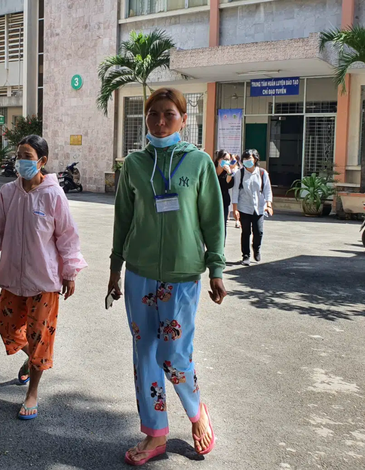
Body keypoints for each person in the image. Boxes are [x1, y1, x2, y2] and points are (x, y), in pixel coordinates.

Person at [108, 88, 227, 465]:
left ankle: (196, 412)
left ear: (183, 119)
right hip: (140, 273)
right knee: (145, 355)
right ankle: (155, 433)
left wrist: (217, 268)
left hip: (183, 274)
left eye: (169, 114)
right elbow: (123, 219)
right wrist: (115, 267)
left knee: (173, 354)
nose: (160, 121)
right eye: (154, 114)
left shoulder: (199, 162)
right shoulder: (134, 164)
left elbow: (212, 217)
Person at [0, 134, 87, 420]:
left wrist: (70, 271)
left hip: (44, 281)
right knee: (8, 328)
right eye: (18, 155)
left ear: (42, 161)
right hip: (12, 277)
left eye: (27, 156)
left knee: (40, 338)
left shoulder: (53, 194)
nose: (21, 161)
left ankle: (32, 392)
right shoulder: (7, 193)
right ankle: (33, 360)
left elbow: (67, 236)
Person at [232, 149, 273, 266]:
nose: (246, 161)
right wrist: (235, 209)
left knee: (258, 232)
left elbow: (267, 190)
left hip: (259, 208)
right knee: (246, 232)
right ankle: (246, 255)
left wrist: (268, 205)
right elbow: (235, 191)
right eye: (244, 159)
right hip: (244, 207)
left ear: (255, 159)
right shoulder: (240, 173)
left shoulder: (262, 173)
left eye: (249, 159)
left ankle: (256, 248)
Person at [213, 150, 239, 240]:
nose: (227, 162)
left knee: (222, 225)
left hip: (223, 201)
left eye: (229, 160)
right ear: (219, 159)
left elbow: (228, 184)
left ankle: (221, 247)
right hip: (211, 201)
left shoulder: (228, 172)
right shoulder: (211, 169)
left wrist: (229, 172)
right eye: (225, 159)